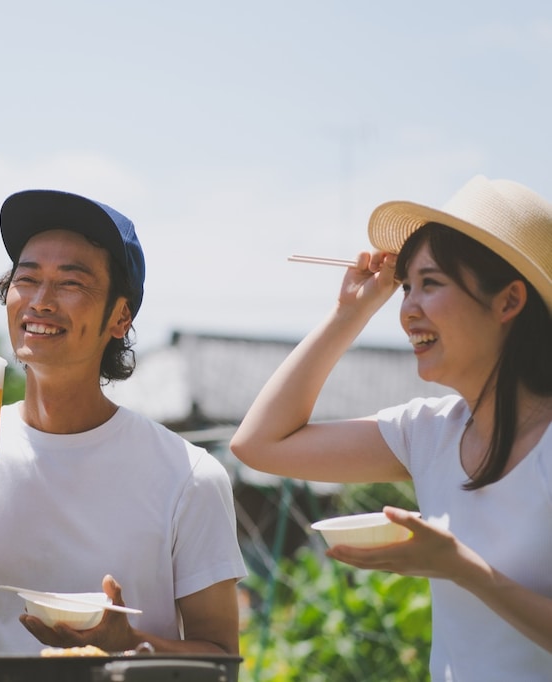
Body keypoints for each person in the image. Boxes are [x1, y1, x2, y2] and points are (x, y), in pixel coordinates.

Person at [0, 189, 246, 655]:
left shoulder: (187, 476)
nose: (40, 302)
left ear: (120, 317)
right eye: (27, 279)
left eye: (71, 283)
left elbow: (222, 661)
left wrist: (129, 642)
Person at [230, 175, 552, 679]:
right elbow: (259, 443)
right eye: (405, 287)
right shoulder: (429, 432)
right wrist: (349, 312)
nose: (407, 310)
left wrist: (462, 569)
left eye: (431, 284)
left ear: (508, 302)